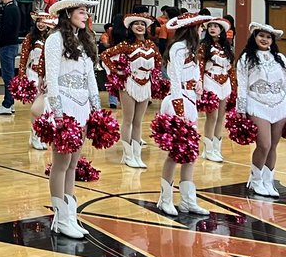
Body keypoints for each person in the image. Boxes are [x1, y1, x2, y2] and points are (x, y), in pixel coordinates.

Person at [40, 0, 101, 238]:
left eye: (86, 12)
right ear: (67, 13)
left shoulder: (84, 40)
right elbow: (51, 78)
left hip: (83, 106)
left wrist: (96, 107)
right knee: (61, 163)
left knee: (74, 164)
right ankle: (60, 217)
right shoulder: (55, 40)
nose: (86, 16)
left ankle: (70, 215)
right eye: (82, 11)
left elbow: (91, 77)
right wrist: (57, 112)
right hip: (64, 104)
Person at [157, 12, 214, 216]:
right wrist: (179, 110)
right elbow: (174, 79)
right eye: (200, 28)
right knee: (175, 153)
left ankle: (188, 200)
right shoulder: (178, 48)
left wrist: (198, 85)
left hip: (190, 100)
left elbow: (194, 73)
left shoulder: (193, 49)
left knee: (191, 152)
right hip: (177, 101)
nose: (202, 31)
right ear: (192, 29)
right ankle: (165, 199)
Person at [236, 22, 286, 197]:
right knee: (264, 144)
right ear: (254, 37)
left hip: (280, 105)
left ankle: (268, 180)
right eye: (261, 36)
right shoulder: (246, 59)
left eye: (268, 37)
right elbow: (241, 85)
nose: (264, 39)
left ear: (272, 40)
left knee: (273, 146)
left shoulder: (280, 58)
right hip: (256, 103)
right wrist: (240, 107)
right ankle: (255, 180)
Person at [100, 12, 161, 167]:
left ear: (146, 27)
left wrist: (154, 76)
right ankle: (127, 156)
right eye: (136, 24)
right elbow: (105, 55)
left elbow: (158, 62)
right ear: (130, 27)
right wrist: (117, 71)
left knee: (138, 122)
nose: (139, 26)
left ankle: (137, 155)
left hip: (145, 84)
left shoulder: (152, 45)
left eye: (142, 24)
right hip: (129, 84)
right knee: (128, 120)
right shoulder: (125, 45)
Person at [20, 11, 57, 149]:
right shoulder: (30, 37)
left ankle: (38, 135)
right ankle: (35, 135)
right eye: (38, 21)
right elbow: (23, 59)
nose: (41, 24)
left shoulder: (52, 38)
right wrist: (21, 77)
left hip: (47, 77)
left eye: (43, 21)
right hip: (33, 76)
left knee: (44, 108)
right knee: (36, 108)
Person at [201, 17, 235, 163]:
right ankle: (207, 149)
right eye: (210, 26)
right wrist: (200, 83)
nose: (212, 28)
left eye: (216, 26)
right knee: (212, 117)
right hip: (210, 81)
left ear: (221, 30)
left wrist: (234, 86)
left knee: (220, 118)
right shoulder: (203, 46)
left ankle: (216, 148)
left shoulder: (226, 47)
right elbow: (200, 66)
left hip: (224, 83)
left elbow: (230, 68)